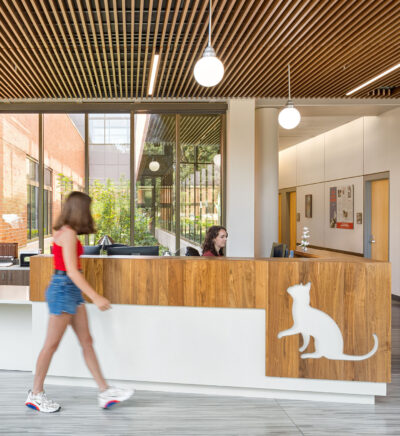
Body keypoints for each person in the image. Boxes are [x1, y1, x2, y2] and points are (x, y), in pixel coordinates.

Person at [25, 191, 134, 413]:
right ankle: (35, 394)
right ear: (80, 210)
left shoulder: (66, 231)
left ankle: (104, 391)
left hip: (69, 289)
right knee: (51, 344)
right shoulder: (67, 233)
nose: (89, 213)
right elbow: (72, 272)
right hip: (63, 288)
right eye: (87, 209)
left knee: (86, 341)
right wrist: (96, 296)